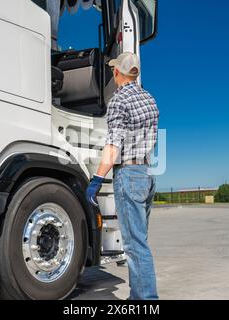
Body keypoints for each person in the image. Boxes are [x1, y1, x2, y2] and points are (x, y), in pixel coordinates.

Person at [86, 52, 160, 300]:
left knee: (134, 245)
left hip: (129, 174)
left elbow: (114, 146)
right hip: (147, 173)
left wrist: (97, 179)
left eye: (113, 70)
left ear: (118, 73)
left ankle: (146, 299)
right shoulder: (149, 99)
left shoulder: (119, 101)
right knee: (140, 241)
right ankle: (137, 295)